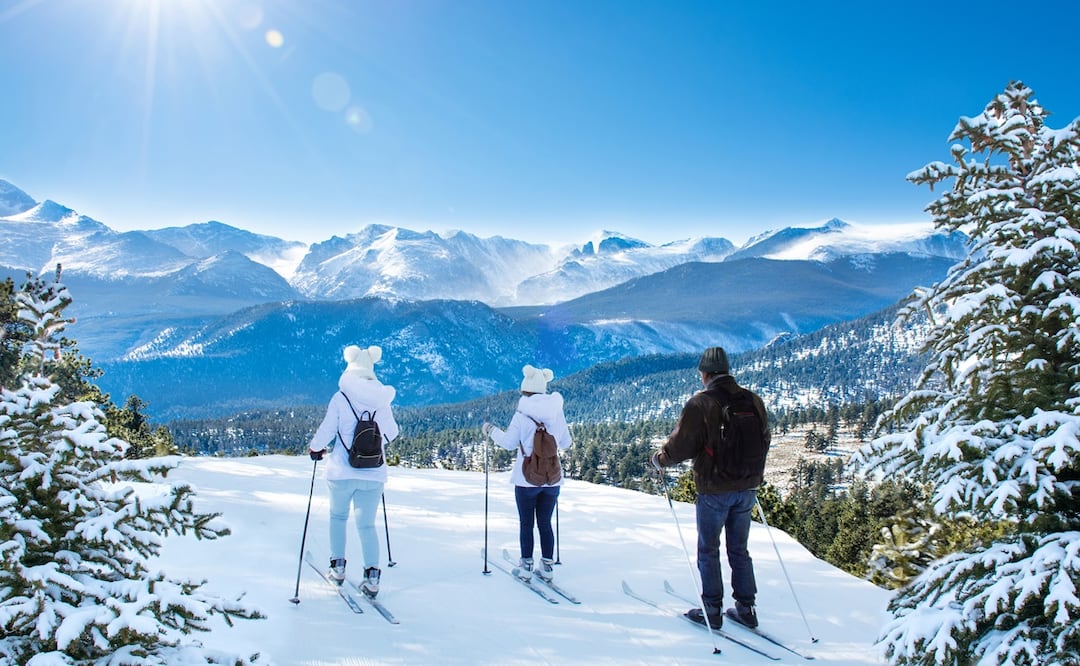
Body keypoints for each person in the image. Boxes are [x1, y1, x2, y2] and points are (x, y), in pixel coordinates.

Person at [649, 346, 770, 629]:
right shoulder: (753, 400)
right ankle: (746, 608)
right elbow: (765, 438)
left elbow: (680, 446)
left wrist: (659, 460)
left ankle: (712, 610)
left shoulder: (701, 403)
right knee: (739, 548)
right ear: (727, 370)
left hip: (715, 487)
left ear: (704, 373)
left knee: (709, 548)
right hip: (748, 486)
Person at [308, 344, 399, 597]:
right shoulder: (381, 401)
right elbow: (392, 434)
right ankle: (372, 577)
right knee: (367, 526)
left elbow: (327, 429)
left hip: (341, 471)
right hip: (373, 473)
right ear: (371, 369)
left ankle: (337, 568)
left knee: (338, 518)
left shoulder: (341, 398)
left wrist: (315, 449)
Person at [482, 364, 572, 583]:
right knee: (545, 523)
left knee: (526, 523)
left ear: (526, 390)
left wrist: (491, 431)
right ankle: (548, 567)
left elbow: (509, 443)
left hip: (526, 479)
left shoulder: (522, 414)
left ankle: (526, 566)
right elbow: (566, 443)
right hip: (552, 479)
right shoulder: (556, 412)